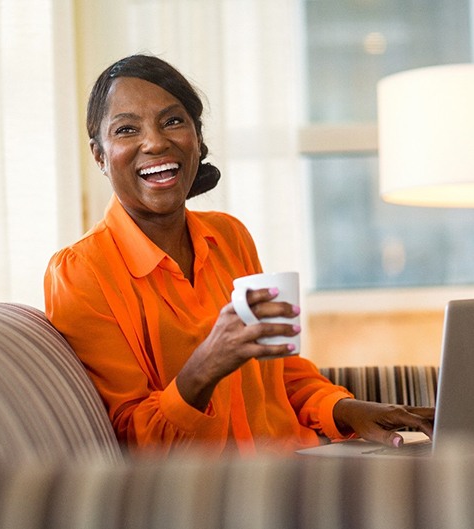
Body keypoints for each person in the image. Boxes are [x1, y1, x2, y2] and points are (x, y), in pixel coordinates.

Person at [44, 54, 434, 457]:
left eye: (173, 121)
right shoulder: (82, 272)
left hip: (298, 466)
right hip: (210, 493)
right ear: (99, 155)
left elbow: (280, 371)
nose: (156, 142)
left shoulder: (229, 236)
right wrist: (207, 365)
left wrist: (347, 410)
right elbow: (134, 440)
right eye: (127, 129)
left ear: (197, 138)